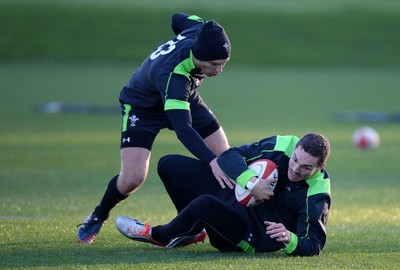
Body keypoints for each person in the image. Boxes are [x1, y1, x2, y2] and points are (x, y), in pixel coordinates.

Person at [77, 13, 234, 244]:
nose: (219, 70)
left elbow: (177, 18)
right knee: (132, 178)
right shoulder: (174, 74)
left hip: (183, 97)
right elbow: (184, 129)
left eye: (224, 63)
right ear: (198, 56)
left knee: (226, 157)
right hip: (143, 106)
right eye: (213, 65)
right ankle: (99, 214)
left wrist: (216, 161)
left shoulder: (200, 29)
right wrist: (210, 162)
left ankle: (199, 222)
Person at [115, 133, 332, 256]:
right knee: (169, 165)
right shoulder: (285, 145)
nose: (295, 169)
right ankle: (189, 231)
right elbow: (230, 156)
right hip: (234, 195)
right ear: (295, 150)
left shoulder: (317, 192)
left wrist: (289, 238)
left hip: (249, 234)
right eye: (295, 159)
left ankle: (157, 235)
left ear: (320, 166)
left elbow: (314, 244)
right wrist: (251, 182)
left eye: (306, 168)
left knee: (205, 205)